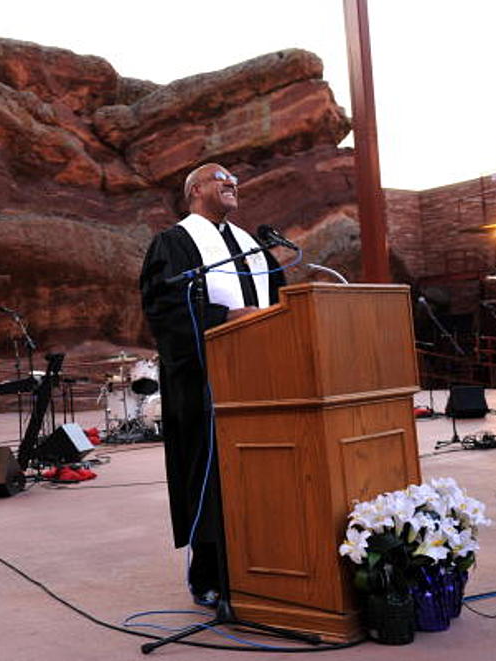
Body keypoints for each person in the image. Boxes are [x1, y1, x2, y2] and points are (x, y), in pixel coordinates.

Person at [139, 163, 286, 607]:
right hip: (204, 382)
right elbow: (164, 309)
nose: (232, 184)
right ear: (196, 189)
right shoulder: (174, 243)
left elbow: (280, 299)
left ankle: (271, 560)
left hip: (263, 375)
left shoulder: (252, 245)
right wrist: (224, 317)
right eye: (221, 179)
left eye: (235, 181)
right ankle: (212, 574)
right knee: (212, 474)